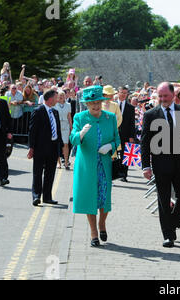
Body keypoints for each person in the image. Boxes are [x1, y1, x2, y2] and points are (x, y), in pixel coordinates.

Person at [140, 82, 180, 248]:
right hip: (161, 163)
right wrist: (146, 166)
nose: (162, 99)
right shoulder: (151, 114)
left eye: (165, 96)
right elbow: (144, 142)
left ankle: (172, 223)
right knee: (164, 199)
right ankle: (168, 235)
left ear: (173, 95)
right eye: (160, 96)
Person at [70, 85, 121, 247]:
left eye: (98, 102)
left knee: (104, 198)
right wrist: (80, 134)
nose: (96, 106)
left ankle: (102, 224)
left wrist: (110, 146)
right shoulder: (79, 117)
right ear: (86, 104)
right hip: (86, 164)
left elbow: (117, 140)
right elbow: (73, 139)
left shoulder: (110, 117)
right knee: (89, 197)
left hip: (104, 164)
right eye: (92, 103)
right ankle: (93, 233)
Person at [28, 89, 63, 206]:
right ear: (50, 99)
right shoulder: (38, 111)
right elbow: (32, 131)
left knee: (50, 173)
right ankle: (36, 196)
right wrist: (31, 147)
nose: (57, 100)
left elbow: (57, 130)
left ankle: (47, 197)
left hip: (53, 147)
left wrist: (60, 147)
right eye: (56, 97)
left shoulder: (55, 112)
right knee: (37, 173)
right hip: (40, 147)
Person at [116, 86, 136, 182]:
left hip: (126, 134)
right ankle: (116, 173)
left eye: (125, 93)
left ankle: (124, 175)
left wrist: (132, 136)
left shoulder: (130, 108)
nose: (124, 95)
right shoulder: (113, 105)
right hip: (114, 134)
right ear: (118, 93)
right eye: (122, 92)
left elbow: (132, 123)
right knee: (115, 154)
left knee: (126, 154)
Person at [53, 90, 72, 169]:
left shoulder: (68, 105)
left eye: (63, 95)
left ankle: (66, 162)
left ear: (65, 97)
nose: (61, 96)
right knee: (57, 144)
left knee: (66, 144)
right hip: (57, 126)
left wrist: (71, 127)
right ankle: (58, 162)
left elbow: (69, 117)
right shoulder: (55, 105)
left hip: (65, 126)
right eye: (60, 95)